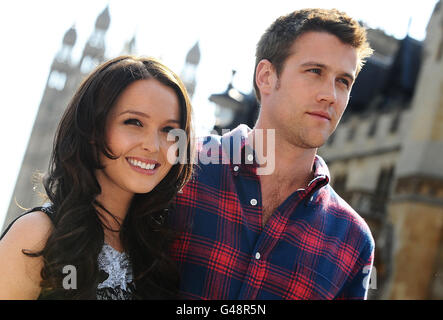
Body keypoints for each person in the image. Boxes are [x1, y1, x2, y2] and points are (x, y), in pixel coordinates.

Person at [169, 8, 375, 299]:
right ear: (266, 76)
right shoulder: (180, 167)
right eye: (315, 71)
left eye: (343, 81)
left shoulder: (352, 240)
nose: (330, 94)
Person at [0, 56, 193, 299]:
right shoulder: (40, 235)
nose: (154, 145)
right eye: (134, 122)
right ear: (93, 128)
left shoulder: (162, 257)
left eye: (168, 130)